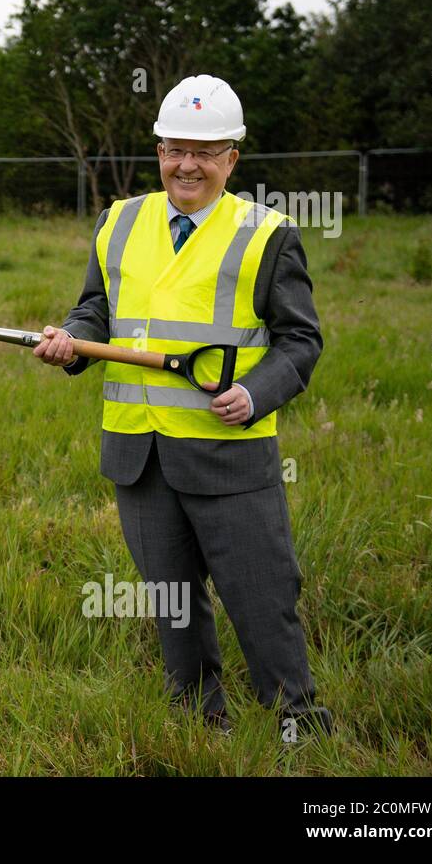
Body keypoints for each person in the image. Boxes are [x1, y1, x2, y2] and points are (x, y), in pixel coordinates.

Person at [34, 74, 333, 740]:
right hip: (138, 450)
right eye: (174, 149)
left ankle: (298, 723)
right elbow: (97, 309)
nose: (187, 164)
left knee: (261, 594)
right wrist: (71, 342)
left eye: (205, 151)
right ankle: (200, 719)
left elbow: (301, 340)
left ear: (233, 158)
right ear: (160, 152)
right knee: (171, 599)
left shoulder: (267, 235)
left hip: (228, 451)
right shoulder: (119, 220)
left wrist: (257, 393)